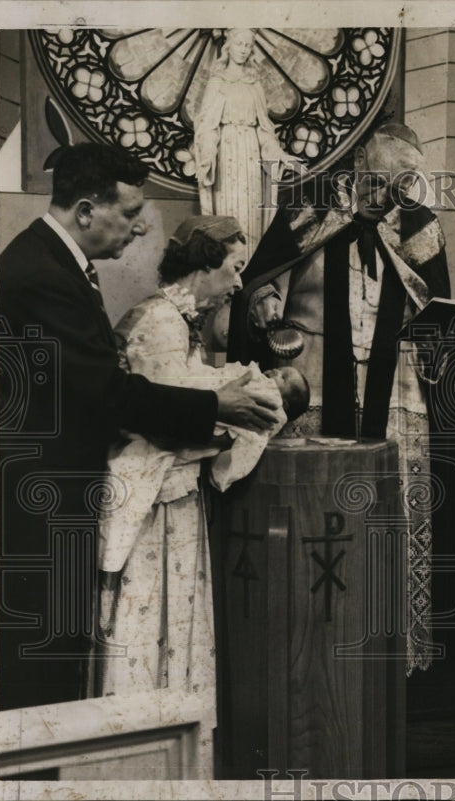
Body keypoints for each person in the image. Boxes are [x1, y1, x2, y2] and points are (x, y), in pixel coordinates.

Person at [0, 143, 279, 710]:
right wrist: (215, 407)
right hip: (43, 500)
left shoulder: (55, 264)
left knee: (56, 662)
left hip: (58, 492)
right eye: (129, 213)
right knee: (41, 671)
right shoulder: (39, 274)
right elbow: (107, 394)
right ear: (84, 211)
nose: (143, 225)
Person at [228, 122, 455, 670]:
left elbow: (435, 299)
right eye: (375, 180)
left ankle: (392, 648)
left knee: (390, 511)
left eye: (397, 186)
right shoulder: (309, 206)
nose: (382, 195)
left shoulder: (418, 225)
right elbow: (256, 280)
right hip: (312, 373)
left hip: (396, 383)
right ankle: (304, 645)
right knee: (317, 510)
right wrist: (265, 303)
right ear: (357, 164)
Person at [91, 215, 309, 706]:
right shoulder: (162, 322)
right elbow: (162, 421)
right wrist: (234, 426)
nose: (238, 284)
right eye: (233, 269)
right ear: (202, 267)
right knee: (152, 629)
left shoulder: (175, 319)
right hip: (156, 506)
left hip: (170, 497)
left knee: (169, 628)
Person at [192, 28, 303, 259]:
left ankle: (250, 269)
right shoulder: (217, 82)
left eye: (247, 45)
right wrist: (207, 155)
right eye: (239, 44)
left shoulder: (254, 84)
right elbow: (207, 125)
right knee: (229, 214)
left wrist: (281, 155)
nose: (243, 50)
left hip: (251, 155)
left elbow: (264, 130)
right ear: (228, 46)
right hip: (227, 155)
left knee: (252, 214)